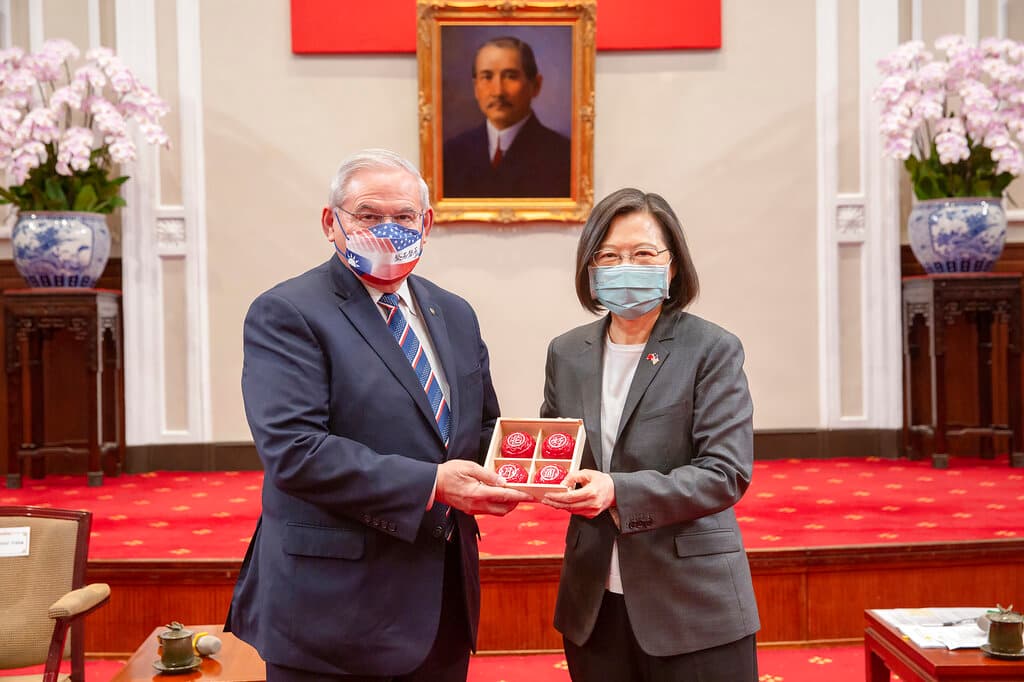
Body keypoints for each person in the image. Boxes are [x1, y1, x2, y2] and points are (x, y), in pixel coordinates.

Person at [225, 148, 532, 682]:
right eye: (368, 216)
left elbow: (478, 430)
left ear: (427, 223)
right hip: (332, 612)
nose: (388, 229)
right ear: (331, 223)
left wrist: (532, 466)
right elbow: (295, 453)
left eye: (404, 216)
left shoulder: (454, 312)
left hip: (440, 603)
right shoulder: (288, 312)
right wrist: (433, 484)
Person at [539, 188, 760, 681]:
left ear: (673, 265)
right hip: (593, 603)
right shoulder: (566, 352)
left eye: (642, 254)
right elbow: (559, 450)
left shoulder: (711, 349)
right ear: (591, 267)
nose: (626, 266)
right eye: (610, 255)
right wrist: (530, 474)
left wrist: (618, 490)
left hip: (692, 605)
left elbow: (725, 474)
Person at [443, 36, 571, 198]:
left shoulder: (563, 156)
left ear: (535, 85)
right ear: (476, 88)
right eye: (487, 77)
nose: (498, 91)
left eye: (511, 76)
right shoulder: (452, 154)